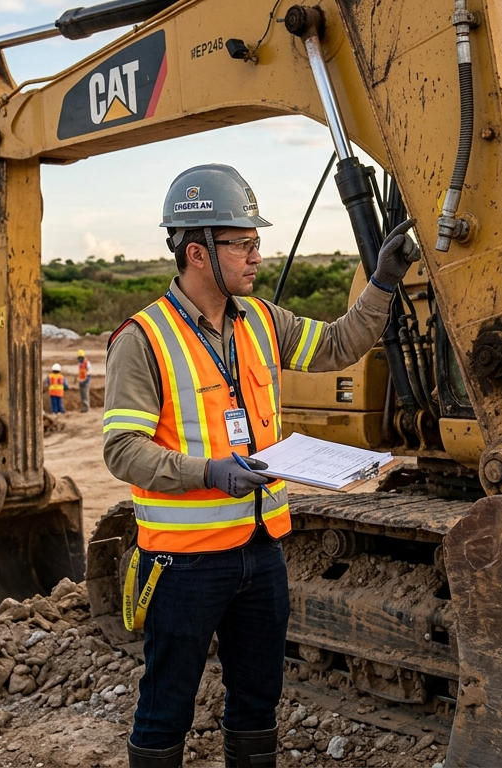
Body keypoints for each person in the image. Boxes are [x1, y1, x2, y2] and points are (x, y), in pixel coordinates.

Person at [103, 164, 419, 768]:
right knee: (166, 706)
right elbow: (123, 449)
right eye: (242, 243)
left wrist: (382, 281)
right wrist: (210, 472)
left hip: (261, 551)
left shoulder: (262, 319)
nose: (256, 255)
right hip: (184, 562)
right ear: (198, 252)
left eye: (256, 241)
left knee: (257, 703)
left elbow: (338, 344)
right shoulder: (143, 339)